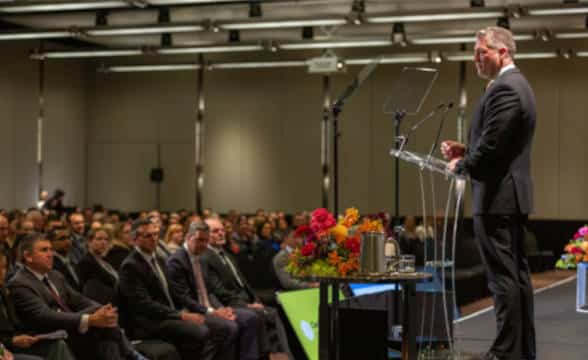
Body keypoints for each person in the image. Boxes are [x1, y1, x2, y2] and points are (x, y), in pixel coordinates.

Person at [442, 26, 536, 360]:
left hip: (498, 198)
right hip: (507, 196)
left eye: (481, 52)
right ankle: (521, 351)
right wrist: (465, 150)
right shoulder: (512, 86)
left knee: (503, 281)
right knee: (515, 279)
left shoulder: (507, 89)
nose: (476, 59)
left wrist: (463, 165)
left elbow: (494, 148)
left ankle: (506, 352)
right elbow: (499, 143)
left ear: (502, 52)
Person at [7, 233, 146, 360]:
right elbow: (44, 316)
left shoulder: (55, 275)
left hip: (70, 326)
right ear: (28, 256)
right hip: (48, 333)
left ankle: (131, 354)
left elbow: (80, 300)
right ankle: (133, 354)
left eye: (50, 249)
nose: (50, 254)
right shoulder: (20, 283)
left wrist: (102, 310)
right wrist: (90, 319)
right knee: (103, 328)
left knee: (106, 329)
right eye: (44, 250)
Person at [118, 219, 235, 360]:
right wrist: (181, 316)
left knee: (220, 326)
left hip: (169, 314)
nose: (154, 239)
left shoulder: (159, 260)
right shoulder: (130, 266)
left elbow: (175, 293)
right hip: (150, 322)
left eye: (156, 234)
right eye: (148, 236)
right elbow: (143, 305)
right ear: (135, 240)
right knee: (201, 331)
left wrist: (191, 311)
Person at [166, 221, 260, 360]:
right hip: (192, 312)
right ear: (188, 237)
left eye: (206, 240)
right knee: (230, 327)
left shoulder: (201, 258)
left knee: (249, 317)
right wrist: (213, 312)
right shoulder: (176, 261)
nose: (203, 244)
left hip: (210, 307)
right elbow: (184, 298)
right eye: (199, 240)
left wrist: (222, 309)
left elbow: (209, 292)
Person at [203, 217, 291, 360]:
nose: (221, 234)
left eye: (222, 230)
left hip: (243, 299)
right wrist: (247, 305)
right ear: (205, 235)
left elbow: (244, 283)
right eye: (215, 231)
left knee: (272, 311)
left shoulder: (226, 255)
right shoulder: (205, 257)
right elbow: (219, 291)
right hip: (228, 304)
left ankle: (277, 355)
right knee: (259, 315)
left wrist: (255, 300)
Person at [0, 251, 73, 360]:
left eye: (3, 267)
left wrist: (30, 336)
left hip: (12, 343)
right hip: (5, 348)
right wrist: (11, 341)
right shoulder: (19, 283)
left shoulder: (4, 291)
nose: (1, 272)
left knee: (58, 345)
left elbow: (15, 324)